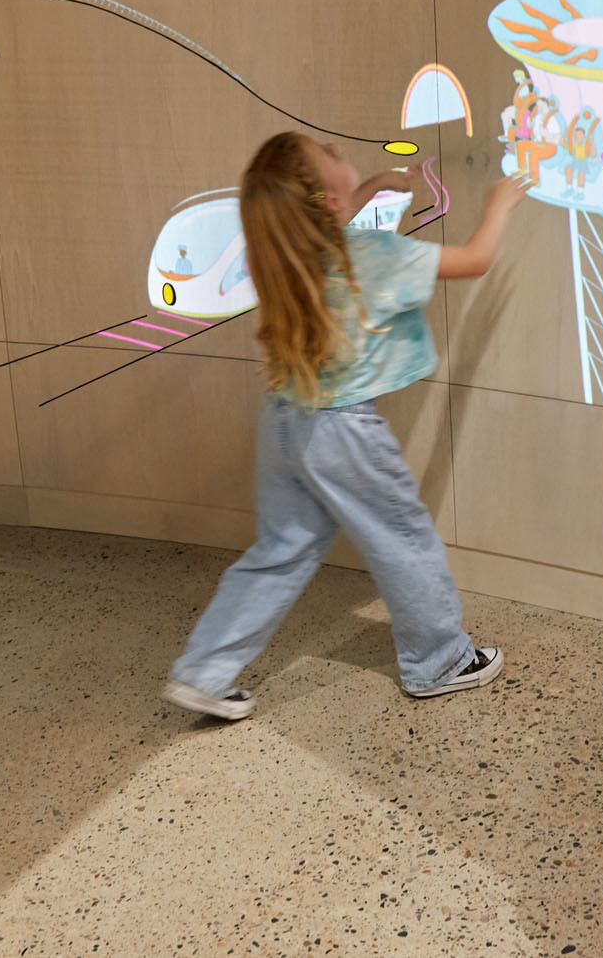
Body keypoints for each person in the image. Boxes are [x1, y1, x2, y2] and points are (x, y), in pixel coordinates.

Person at [163, 134, 532, 720]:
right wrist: (499, 205)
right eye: (330, 154)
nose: (337, 148)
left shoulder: (282, 254)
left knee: (279, 550)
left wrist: (373, 186)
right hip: (344, 432)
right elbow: (474, 260)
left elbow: (324, 223)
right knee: (403, 538)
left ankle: (204, 671)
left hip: (285, 419)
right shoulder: (372, 256)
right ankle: (439, 661)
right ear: (328, 202)